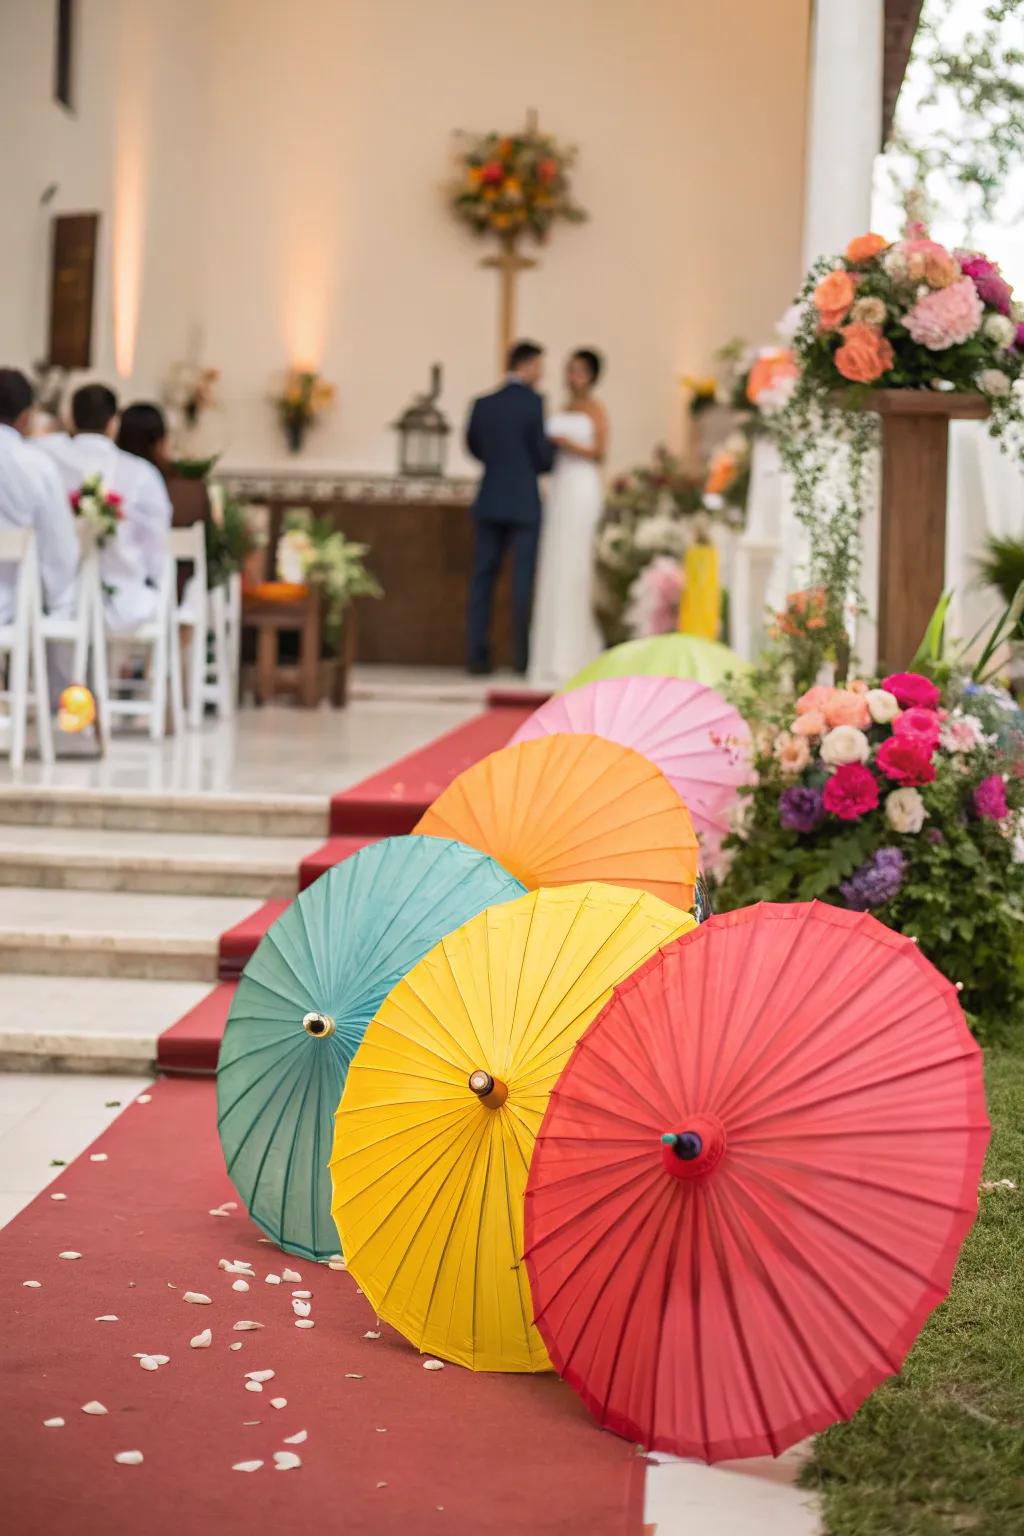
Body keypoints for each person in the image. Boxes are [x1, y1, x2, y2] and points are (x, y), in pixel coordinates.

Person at [37, 384, 172, 630]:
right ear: (113, 422)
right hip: (124, 604)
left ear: (70, 418)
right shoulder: (142, 474)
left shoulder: (43, 458)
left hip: (55, 601)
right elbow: (157, 551)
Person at [465, 340, 555, 675]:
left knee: (482, 579)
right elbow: (542, 455)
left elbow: (474, 446)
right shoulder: (533, 404)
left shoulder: (483, 404)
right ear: (527, 365)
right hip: (523, 502)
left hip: (490, 498)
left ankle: (476, 655)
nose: (541, 374)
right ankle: (522, 657)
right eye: (539, 366)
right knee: (522, 580)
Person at [528, 348, 608, 686]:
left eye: (577, 370)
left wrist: (568, 443)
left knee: (577, 563)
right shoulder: (560, 408)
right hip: (560, 487)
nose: (571, 376)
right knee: (555, 562)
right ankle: (550, 653)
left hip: (582, 485)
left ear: (590, 375)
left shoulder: (595, 410)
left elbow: (600, 451)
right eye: (568, 370)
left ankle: (577, 651)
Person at [0, 367, 78, 625]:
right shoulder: (36, 465)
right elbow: (59, 548)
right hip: (9, 610)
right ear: (25, 417)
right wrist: (59, 604)